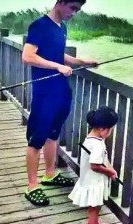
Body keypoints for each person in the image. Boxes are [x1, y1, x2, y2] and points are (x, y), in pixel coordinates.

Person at [22, 0, 98, 206]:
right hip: (44, 93)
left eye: (78, 9)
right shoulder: (39, 25)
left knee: (53, 134)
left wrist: (82, 62)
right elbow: (28, 56)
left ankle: (49, 175)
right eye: (73, 8)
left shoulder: (61, 27)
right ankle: (32, 186)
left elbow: (57, 54)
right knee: (36, 138)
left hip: (60, 91)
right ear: (61, 2)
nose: (75, 13)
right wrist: (57, 67)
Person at [69, 106, 118, 224]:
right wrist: (110, 172)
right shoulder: (97, 145)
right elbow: (95, 166)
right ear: (103, 129)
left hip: (88, 180)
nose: (110, 132)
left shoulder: (90, 139)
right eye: (110, 130)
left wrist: (110, 168)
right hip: (94, 183)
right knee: (94, 210)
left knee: (94, 209)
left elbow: (103, 159)